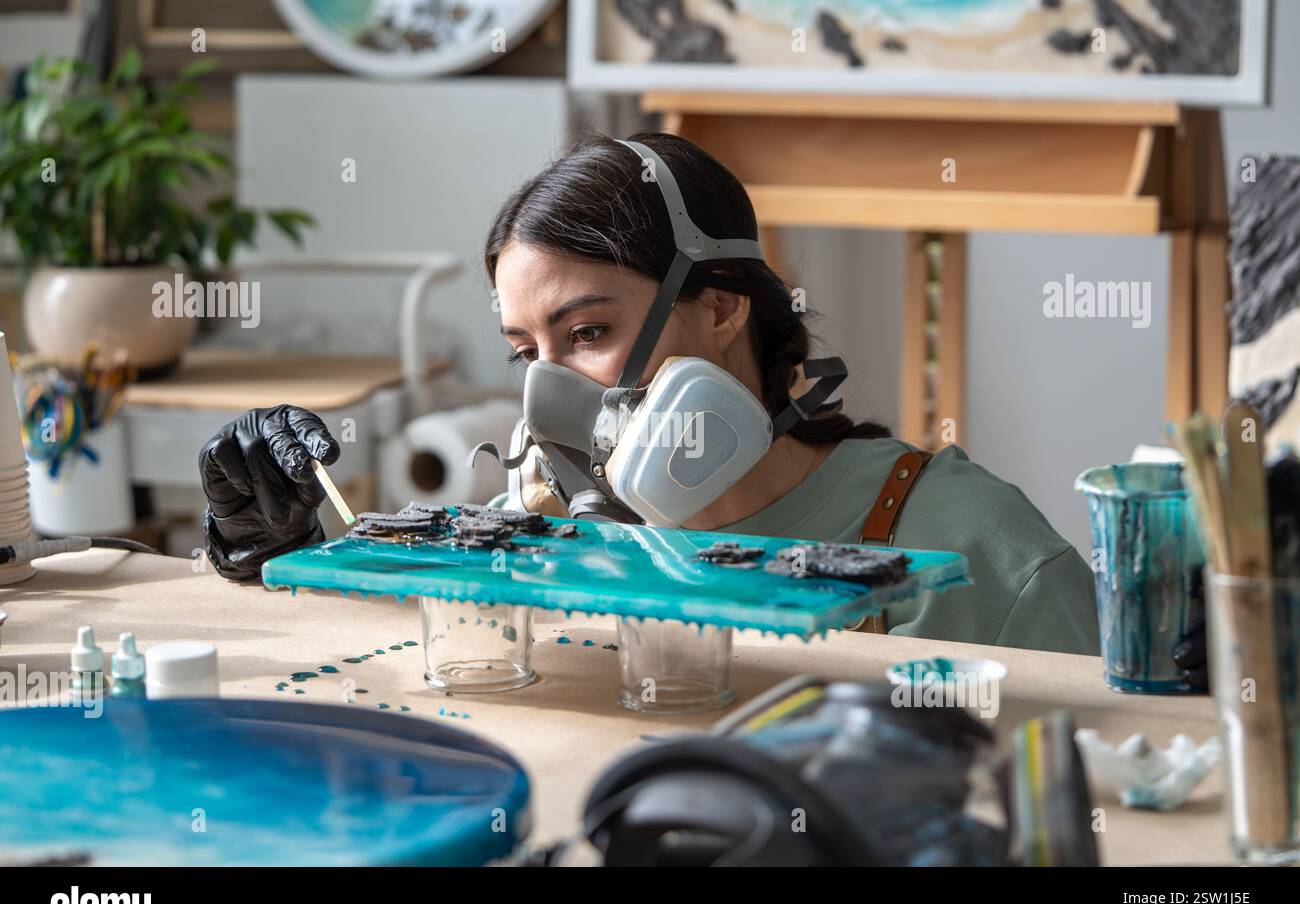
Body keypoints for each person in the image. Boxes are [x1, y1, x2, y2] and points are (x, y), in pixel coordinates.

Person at [199, 132, 1099, 655]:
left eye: (588, 334)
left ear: (719, 307)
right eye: (526, 354)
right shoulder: (556, 545)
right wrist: (266, 541)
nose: (552, 396)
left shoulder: (982, 555)